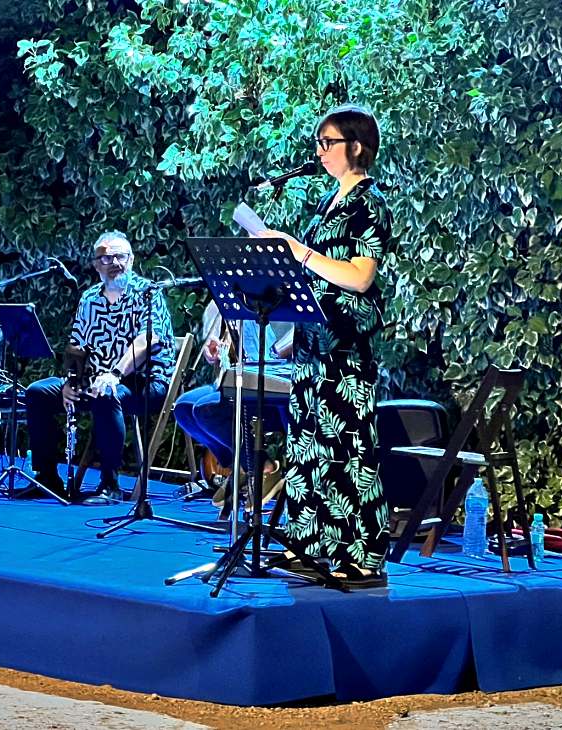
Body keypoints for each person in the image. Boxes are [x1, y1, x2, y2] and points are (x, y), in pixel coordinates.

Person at [257, 104, 393, 586]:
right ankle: (310, 547)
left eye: (328, 142)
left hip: (346, 345)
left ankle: (365, 555)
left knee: (350, 451)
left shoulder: (369, 203)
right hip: (313, 345)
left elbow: (359, 277)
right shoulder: (328, 204)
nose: (320, 151)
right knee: (308, 449)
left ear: (356, 147)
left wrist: (300, 250)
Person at [24, 231, 176, 502]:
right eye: (106, 258)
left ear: (131, 260)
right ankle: (47, 477)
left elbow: (146, 340)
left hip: (144, 382)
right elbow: (77, 346)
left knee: (108, 394)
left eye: (121, 256)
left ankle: (110, 484)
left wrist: (115, 374)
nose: (115, 262)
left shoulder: (148, 294)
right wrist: (71, 381)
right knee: (38, 392)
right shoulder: (89, 298)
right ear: (96, 265)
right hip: (95, 380)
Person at [173, 300, 292, 506]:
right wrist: (214, 349)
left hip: (279, 384)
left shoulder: (281, 291)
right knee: (184, 408)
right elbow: (223, 342)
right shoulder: (229, 297)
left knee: (206, 410)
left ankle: (260, 469)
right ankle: (250, 465)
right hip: (244, 381)